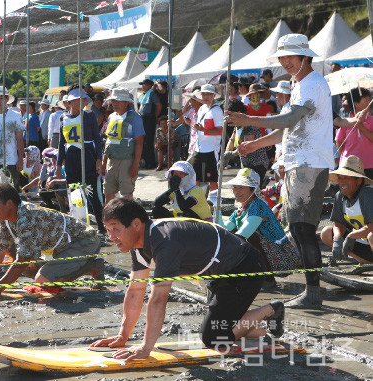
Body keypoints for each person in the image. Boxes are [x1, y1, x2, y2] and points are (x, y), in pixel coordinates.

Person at [91, 198, 284, 358]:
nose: (110, 236)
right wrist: (122, 335)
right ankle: (261, 332)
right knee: (222, 324)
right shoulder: (140, 244)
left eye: (115, 229)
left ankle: (272, 309)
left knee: (214, 338)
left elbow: (158, 298)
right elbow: (135, 291)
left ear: (135, 224)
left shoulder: (165, 240)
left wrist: (145, 348)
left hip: (245, 267)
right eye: (107, 229)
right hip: (217, 272)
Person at [226, 33, 333, 309]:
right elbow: (288, 129)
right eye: (282, 57)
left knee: (303, 229)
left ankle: (313, 293)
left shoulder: (311, 84)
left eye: (290, 56)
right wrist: (255, 144)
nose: (285, 62)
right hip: (298, 162)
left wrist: (249, 119)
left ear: (305, 57)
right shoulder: (299, 84)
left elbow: (289, 119)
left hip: (309, 164)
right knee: (298, 228)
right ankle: (312, 290)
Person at [0, 183, 105, 298]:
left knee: (42, 279)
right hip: (62, 247)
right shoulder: (6, 219)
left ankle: (92, 267)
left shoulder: (26, 218)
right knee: (28, 269)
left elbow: (23, 259)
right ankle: (68, 270)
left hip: (85, 241)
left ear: (10, 203)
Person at [216, 168, 301, 272]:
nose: (236, 191)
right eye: (235, 187)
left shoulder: (258, 206)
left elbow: (243, 235)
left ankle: (267, 278)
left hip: (283, 256)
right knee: (231, 233)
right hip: (269, 252)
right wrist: (217, 209)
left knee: (248, 237)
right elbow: (223, 230)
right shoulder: (240, 210)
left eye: (241, 187)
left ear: (253, 189)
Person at [56, 86, 106, 235]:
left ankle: (102, 228)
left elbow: (97, 139)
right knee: (74, 193)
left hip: (88, 156)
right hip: (71, 158)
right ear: (71, 102)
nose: (82, 103)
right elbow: (61, 143)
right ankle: (78, 227)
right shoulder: (62, 117)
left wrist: (99, 159)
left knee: (95, 194)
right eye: (79, 100)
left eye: (84, 100)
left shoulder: (89, 115)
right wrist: (58, 165)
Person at [321, 156, 373, 265]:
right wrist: (337, 238)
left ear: (358, 180)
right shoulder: (339, 196)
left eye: (347, 178)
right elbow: (338, 223)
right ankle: (364, 262)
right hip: (362, 243)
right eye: (340, 178)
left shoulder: (367, 194)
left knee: (371, 235)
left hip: (369, 238)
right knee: (326, 233)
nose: (342, 182)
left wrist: (351, 236)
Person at [100, 88, 144, 204]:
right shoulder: (111, 117)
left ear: (126, 102)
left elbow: (139, 142)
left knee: (126, 195)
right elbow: (108, 140)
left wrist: (135, 164)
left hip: (127, 160)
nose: (115, 103)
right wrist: (104, 163)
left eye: (118, 101)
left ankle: (126, 220)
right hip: (111, 160)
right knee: (108, 193)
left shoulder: (135, 118)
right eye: (113, 100)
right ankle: (110, 220)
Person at [224, 100, 269, 186]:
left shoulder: (249, 124)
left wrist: (231, 154)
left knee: (252, 189)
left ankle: (262, 182)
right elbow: (232, 140)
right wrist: (225, 155)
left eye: (230, 115)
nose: (228, 118)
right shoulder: (237, 124)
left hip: (257, 163)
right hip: (246, 163)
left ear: (238, 113)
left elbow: (246, 147)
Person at [190, 84, 223, 191]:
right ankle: (198, 202)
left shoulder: (217, 110)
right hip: (199, 148)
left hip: (211, 149)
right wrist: (190, 123)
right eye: (203, 94)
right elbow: (200, 127)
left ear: (213, 95)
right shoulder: (202, 108)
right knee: (195, 178)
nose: (205, 97)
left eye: (208, 94)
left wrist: (203, 130)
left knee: (212, 180)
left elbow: (220, 130)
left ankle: (215, 205)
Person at [336, 87, 373, 178]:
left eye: (369, 100)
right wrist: (346, 158)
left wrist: (361, 127)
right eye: (366, 100)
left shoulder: (371, 120)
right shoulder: (345, 121)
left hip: (369, 165)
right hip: (349, 166)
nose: (369, 103)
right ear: (356, 104)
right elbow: (339, 141)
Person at [138, 79, 161, 169]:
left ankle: (150, 162)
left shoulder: (151, 93)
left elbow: (159, 105)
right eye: (142, 85)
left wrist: (155, 116)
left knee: (148, 141)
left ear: (149, 86)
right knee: (144, 141)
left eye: (144, 85)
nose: (143, 86)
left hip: (149, 118)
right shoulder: (144, 94)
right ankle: (147, 161)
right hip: (143, 118)